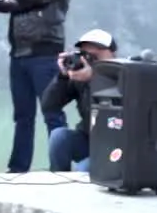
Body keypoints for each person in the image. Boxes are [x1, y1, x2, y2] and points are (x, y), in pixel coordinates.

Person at [0, 0, 73, 173]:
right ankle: (18, 169)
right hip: (19, 54)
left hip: (46, 53)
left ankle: (60, 169)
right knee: (22, 116)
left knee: (52, 112)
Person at [42, 29, 118, 172]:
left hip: (118, 146)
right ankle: (59, 182)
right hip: (89, 139)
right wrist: (63, 77)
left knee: (83, 169)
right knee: (59, 137)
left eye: (95, 55)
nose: (90, 60)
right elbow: (49, 105)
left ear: (112, 53)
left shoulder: (126, 75)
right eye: (85, 55)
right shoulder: (81, 77)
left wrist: (94, 78)